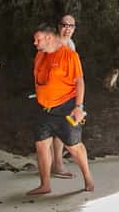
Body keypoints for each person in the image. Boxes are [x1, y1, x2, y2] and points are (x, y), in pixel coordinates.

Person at [29, 22, 94, 195]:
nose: (35, 43)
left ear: (49, 38)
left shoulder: (69, 55)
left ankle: (88, 178)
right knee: (41, 146)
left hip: (65, 108)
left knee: (74, 146)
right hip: (43, 108)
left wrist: (78, 107)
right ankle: (45, 185)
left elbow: (79, 81)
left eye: (38, 39)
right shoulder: (40, 55)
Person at [51, 14, 77, 178]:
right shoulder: (54, 44)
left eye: (71, 26)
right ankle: (57, 164)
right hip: (56, 93)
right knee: (58, 128)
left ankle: (56, 162)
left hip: (67, 91)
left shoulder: (70, 43)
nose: (67, 29)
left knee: (61, 127)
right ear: (58, 26)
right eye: (64, 25)